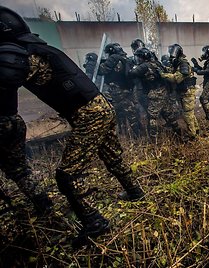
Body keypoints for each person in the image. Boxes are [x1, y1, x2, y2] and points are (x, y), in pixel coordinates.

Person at [0, 6, 144, 245]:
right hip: (100, 108)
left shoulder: (22, 57)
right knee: (112, 157)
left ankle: (94, 222)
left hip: (88, 114)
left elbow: (7, 81)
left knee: (67, 175)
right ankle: (135, 192)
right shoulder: (40, 50)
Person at [0, 42, 53, 214]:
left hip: (5, 122)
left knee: (20, 170)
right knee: (21, 171)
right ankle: (44, 204)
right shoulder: (8, 65)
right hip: (14, 120)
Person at [128, 47, 178, 136]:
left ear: (142, 57)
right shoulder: (156, 63)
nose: (137, 59)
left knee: (152, 116)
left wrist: (130, 66)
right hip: (164, 91)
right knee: (168, 113)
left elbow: (131, 74)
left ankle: (153, 138)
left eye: (138, 57)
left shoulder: (144, 66)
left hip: (155, 93)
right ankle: (178, 132)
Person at [98, 42, 140, 137]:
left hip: (117, 91)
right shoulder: (125, 59)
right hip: (127, 89)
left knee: (124, 113)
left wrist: (93, 64)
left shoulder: (113, 58)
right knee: (128, 113)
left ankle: (135, 135)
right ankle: (135, 134)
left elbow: (102, 70)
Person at [160, 44, 199, 140]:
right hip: (185, 91)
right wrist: (165, 69)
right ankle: (196, 129)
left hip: (187, 92)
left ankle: (192, 135)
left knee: (187, 114)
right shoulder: (178, 64)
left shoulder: (183, 64)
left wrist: (162, 75)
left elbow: (176, 78)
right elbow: (174, 71)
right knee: (189, 112)